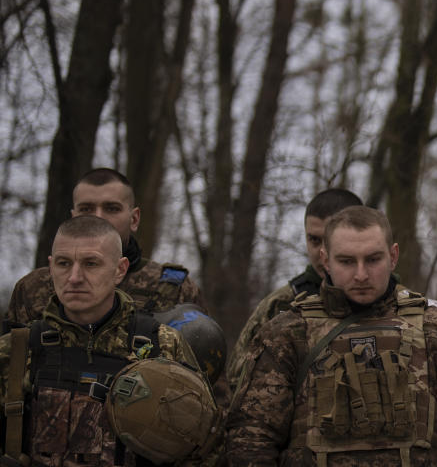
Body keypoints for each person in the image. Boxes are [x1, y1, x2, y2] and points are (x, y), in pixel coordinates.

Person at [225, 206, 437, 466]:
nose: (361, 274)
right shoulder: (286, 335)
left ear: (393, 256)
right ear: (325, 261)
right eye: (346, 261)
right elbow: (251, 438)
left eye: (373, 259)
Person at [0, 216, 213, 466]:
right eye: (63, 263)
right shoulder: (15, 349)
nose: (74, 277)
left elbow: (202, 447)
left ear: (120, 270)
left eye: (91, 264)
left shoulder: (162, 345)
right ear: (51, 266)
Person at [4, 168, 204, 325]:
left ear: (134, 219)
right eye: (86, 208)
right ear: (74, 216)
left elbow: (204, 373)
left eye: (111, 208)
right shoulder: (34, 287)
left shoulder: (173, 288)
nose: (98, 217)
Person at [224, 188, 363, 390]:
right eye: (314, 240)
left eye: (330, 239)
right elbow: (237, 379)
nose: (321, 251)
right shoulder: (282, 304)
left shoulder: (394, 302)